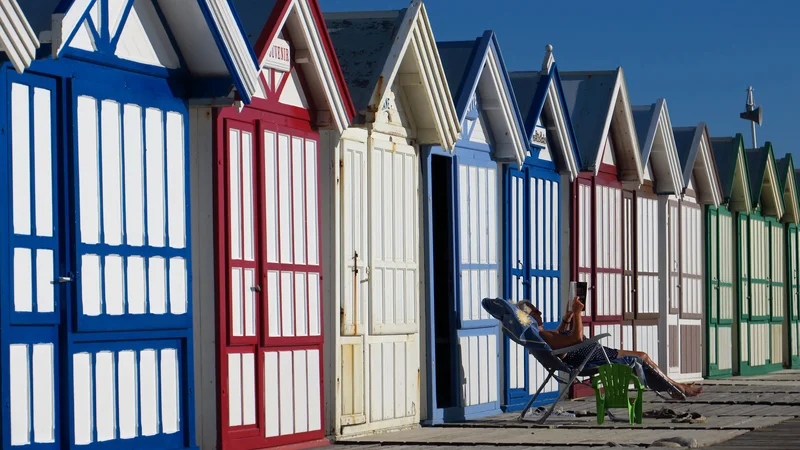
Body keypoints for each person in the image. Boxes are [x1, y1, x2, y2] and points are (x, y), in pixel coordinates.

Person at [517, 296, 703, 400]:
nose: (540, 312)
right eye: (535, 311)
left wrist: (567, 319)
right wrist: (577, 313)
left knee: (642, 356)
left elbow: (562, 340)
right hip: (589, 357)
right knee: (640, 358)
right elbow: (576, 338)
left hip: (589, 354)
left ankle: (675, 387)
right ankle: (676, 388)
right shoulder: (541, 335)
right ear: (528, 316)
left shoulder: (542, 335)